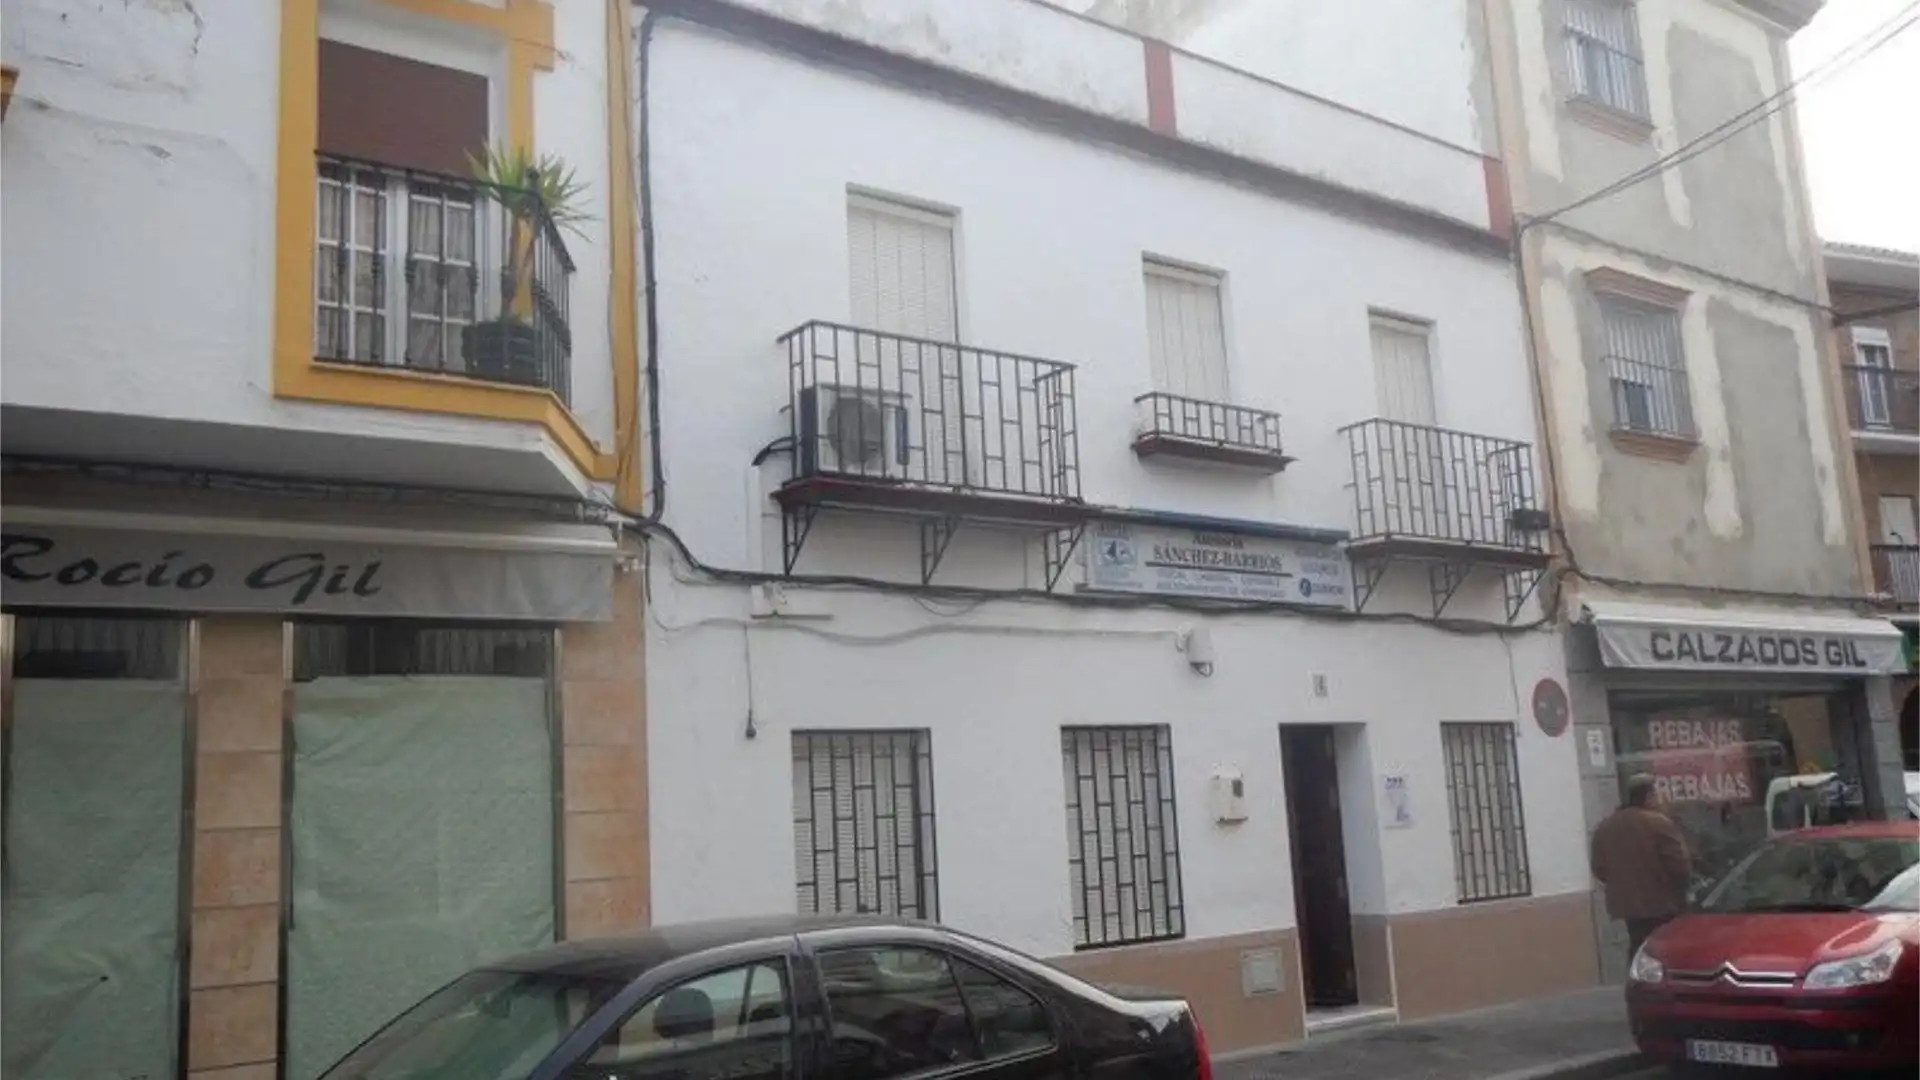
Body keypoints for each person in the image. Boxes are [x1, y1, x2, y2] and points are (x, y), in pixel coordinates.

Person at [1591, 774, 1693, 958]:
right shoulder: (1657, 823)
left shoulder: (1606, 827)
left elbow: (1599, 868)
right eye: (1657, 795)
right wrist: (1683, 893)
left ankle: (1636, 972)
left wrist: (1622, 885)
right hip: (1662, 903)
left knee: (1638, 944)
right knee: (1664, 949)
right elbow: (1679, 865)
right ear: (1648, 797)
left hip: (1627, 906)